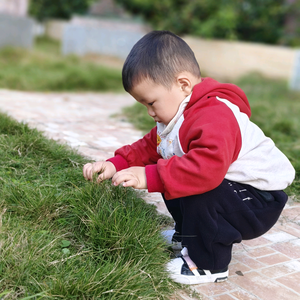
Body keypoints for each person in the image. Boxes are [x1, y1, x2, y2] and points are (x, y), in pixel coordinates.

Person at [83, 30, 295, 285]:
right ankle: (190, 236)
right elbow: (148, 147)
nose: (150, 112)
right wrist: (113, 164)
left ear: (183, 85)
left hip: (259, 200)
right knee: (168, 165)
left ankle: (208, 264)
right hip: (235, 191)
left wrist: (149, 176)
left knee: (194, 181)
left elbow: (206, 170)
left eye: (151, 102)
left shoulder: (214, 114)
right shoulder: (178, 114)